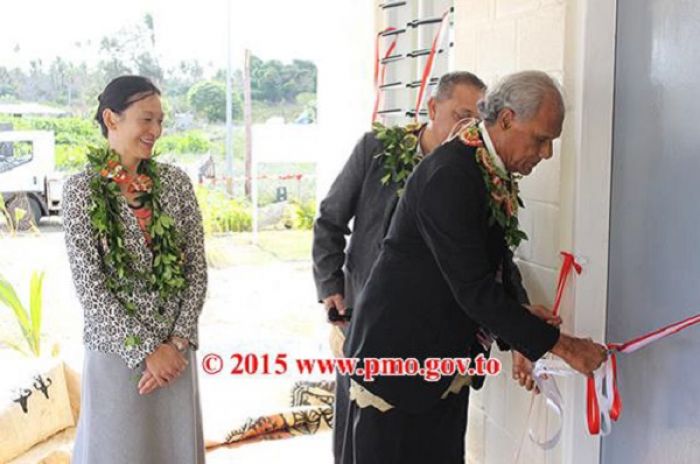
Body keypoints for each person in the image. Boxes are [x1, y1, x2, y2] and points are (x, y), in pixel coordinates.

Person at [340, 70, 608, 464]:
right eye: (541, 139)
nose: (546, 153)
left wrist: (519, 326)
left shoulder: (484, 169)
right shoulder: (451, 174)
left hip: (441, 364)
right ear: (506, 120)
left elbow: (494, 262)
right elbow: (475, 290)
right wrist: (566, 348)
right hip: (399, 364)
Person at [63, 75, 207, 463]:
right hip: (117, 356)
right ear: (112, 119)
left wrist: (175, 346)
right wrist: (147, 351)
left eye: (160, 121)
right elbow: (91, 289)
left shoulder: (176, 184)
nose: (155, 131)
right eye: (146, 119)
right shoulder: (81, 191)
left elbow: (196, 271)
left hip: (175, 359)